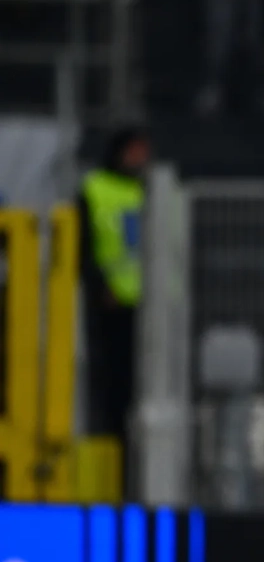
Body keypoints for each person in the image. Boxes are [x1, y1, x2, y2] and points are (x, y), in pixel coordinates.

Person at [80, 127, 151, 459]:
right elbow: (84, 247)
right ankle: (112, 459)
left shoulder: (151, 191)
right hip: (110, 308)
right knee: (112, 392)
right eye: (134, 150)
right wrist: (99, 287)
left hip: (149, 309)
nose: (140, 158)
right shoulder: (95, 190)